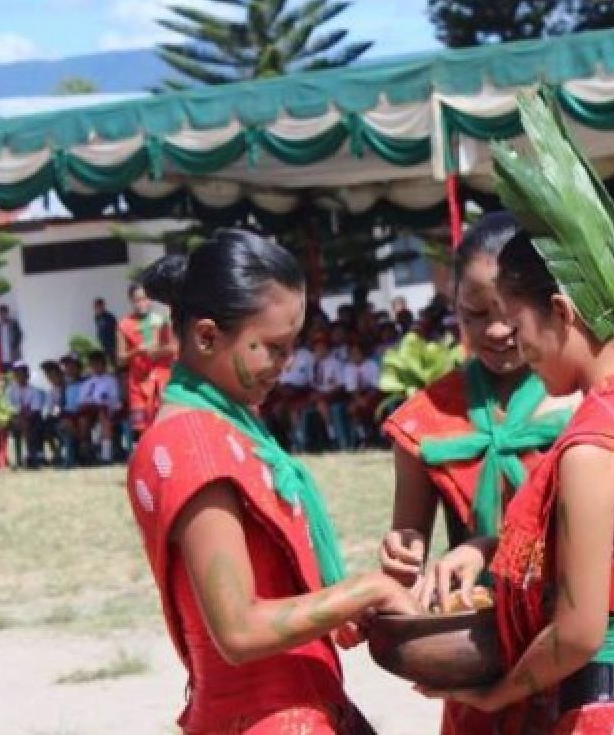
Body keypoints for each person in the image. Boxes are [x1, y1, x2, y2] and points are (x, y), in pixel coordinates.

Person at [417, 94, 614, 734]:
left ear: (561, 312)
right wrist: (485, 547)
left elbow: (581, 632)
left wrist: (501, 693)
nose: (514, 343)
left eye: (518, 321)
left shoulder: (592, 449)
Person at [127, 229, 416, 735]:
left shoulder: (224, 426)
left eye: (292, 348)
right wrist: (365, 591)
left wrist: (350, 608)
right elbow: (238, 629)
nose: (286, 366)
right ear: (207, 337)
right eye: (274, 349)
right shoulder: (194, 444)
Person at [381, 212, 574, 735]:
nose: (494, 330)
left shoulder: (578, 401)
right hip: (475, 641)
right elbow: (410, 542)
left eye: (507, 313)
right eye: (473, 313)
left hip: (568, 641)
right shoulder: (426, 419)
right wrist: (402, 557)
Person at [117, 283, 177, 435]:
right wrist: (137, 351)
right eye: (137, 300)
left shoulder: (161, 321)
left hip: (161, 382)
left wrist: (158, 352)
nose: (142, 303)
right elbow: (120, 359)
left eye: (145, 299)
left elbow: (175, 348)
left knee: (164, 425)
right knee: (143, 430)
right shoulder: (124, 325)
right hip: (138, 383)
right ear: (131, 301)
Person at [77, 351, 121, 464]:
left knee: (103, 415)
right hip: (90, 410)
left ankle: (106, 456)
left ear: (104, 364)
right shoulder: (87, 382)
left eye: (98, 363)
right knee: (82, 419)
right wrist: (89, 403)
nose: (96, 366)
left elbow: (114, 398)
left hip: (107, 410)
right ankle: (86, 453)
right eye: (93, 364)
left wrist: (101, 402)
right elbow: (82, 400)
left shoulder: (111, 380)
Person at [4, 361, 45, 468]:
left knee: (27, 424)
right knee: (17, 422)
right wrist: (19, 413)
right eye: (16, 373)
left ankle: (32, 455)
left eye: (21, 372)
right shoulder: (10, 390)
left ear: (27, 374)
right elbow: (7, 408)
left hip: (31, 420)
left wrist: (23, 414)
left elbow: (35, 409)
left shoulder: (34, 391)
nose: (19, 376)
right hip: (14, 420)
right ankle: (27, 456)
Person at [0, 305, 23, 372]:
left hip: (13, 354)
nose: (2, 315)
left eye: (3, 313)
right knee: (5, 374)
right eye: (0, 313)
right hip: (2, 356)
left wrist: (15, 346)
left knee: (16, 372)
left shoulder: (13, 323)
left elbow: (19, 335)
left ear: (7, 313)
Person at [93, 298, 119, 363]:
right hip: (103, 345)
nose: (98, 309)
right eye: (96, 307)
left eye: (99, 306)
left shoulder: (110, 317)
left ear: (103, 306)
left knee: (114, 362)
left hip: (112, 345)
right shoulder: (97, 318)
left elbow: (116, 331)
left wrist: (116, 347)